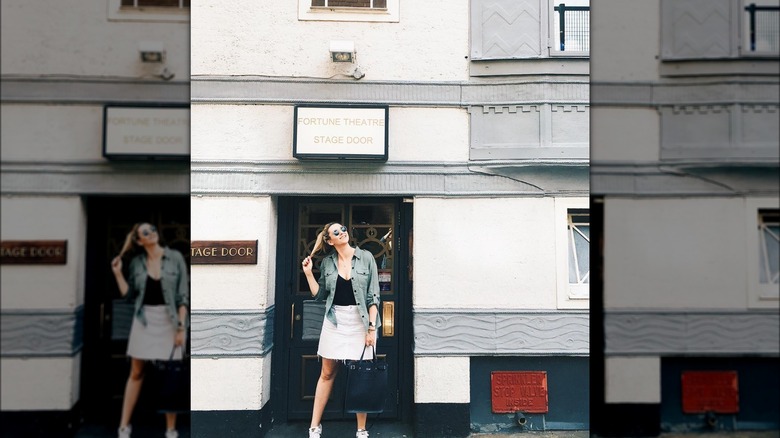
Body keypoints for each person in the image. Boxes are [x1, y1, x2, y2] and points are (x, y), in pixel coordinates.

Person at [301, 222, 381, 438]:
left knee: (361, 375)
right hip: (335, 320)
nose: (342, 232)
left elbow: (373, 296)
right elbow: (320, 295)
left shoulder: (366, 257)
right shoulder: (327, 263)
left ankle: (361, 429)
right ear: (329, 240)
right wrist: (308, 274)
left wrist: (371, 328)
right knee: (327, 373)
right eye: (336, 232)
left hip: (361, 320)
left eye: (343, 229)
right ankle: (314, 426)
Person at [110, 223, 189, 438]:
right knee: (136, 372)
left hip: (170, 321)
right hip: (144, 320)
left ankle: (170, 428)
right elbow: (129, 295)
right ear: (138, 241)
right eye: (145, 232)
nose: (151, 233)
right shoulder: (136, 263)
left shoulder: (175, 259)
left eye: (153, 229)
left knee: (171, 375)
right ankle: (124, 425)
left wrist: (181, 328)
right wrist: (118, 274)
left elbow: (183, 298)